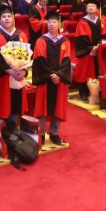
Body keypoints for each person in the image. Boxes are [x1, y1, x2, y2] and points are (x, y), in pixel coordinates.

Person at [0, 4, 28, 141]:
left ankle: (12, 132)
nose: (7, 18)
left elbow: (27, 56)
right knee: (0, 107)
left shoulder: (21, 34)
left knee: (16, 106)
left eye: (9, 16)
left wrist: (24, 71)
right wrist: (9, 70)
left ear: (13, 18)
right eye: (3, 16)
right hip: (2, 79)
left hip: (18, 78)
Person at [31, 13, 70, 145]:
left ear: (59, 25)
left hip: (59, 80)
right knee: (42, 108)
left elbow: (66, 60)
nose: (51, 24)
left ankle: (54, 133)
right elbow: (40, 60)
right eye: (49, 22)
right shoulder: (41, 40)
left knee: (58, 106)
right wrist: (52, 75)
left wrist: (59, 75)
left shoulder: (65, 41)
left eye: (54, 22)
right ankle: (41, 133)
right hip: (45, 79)